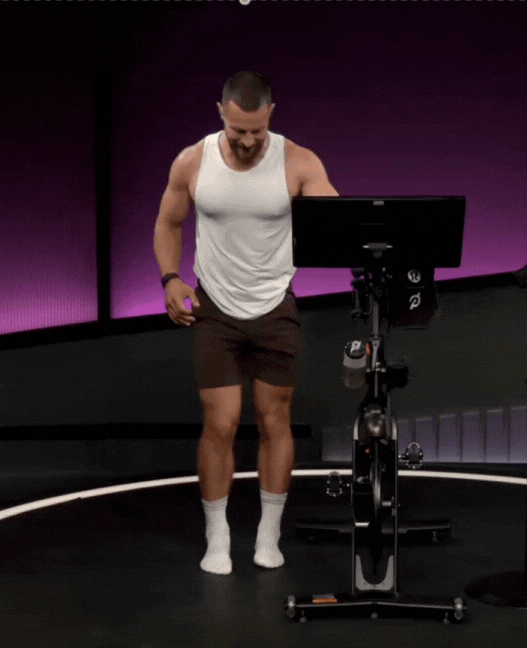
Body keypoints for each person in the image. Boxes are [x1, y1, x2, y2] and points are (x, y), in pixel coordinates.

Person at [152, 71, 339, 574]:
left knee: (275, 420)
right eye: (240, 132)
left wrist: (342, 226)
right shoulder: (193, 160)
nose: (250, 141)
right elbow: (169, 223)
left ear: (270, 114)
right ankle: (217, 538)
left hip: (276, 308)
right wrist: (171, 279)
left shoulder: (298, 161)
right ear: (222, 113)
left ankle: (268, 534)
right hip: (215, 311)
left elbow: (339, 222)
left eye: (257, 130)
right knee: (221, 423)